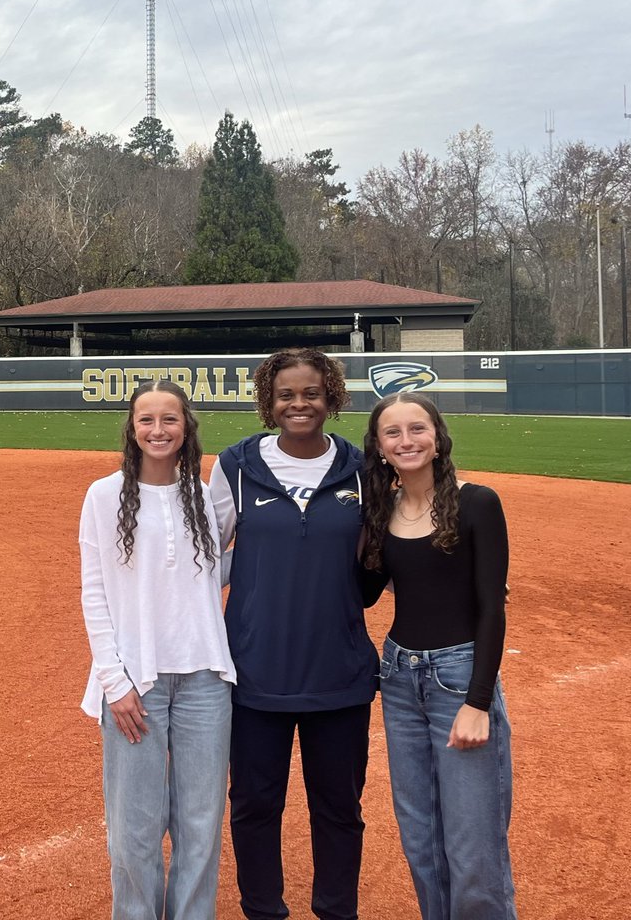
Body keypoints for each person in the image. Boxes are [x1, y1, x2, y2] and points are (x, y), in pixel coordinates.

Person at [209, 348, 378, 920]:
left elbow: (391, 550)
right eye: (286, 394)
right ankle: (263, 910)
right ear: (268, 401)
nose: (298, 404)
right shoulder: (234, 466)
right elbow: (208, 559)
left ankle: (337, 911)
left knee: (338, 809)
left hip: (339, 672)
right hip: (256, 671)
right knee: (254, 806)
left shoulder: (362, 468)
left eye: (310, 392)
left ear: (331, 396)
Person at [79, 379, 235, 920]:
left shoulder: (208, 494)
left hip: (206, 681)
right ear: (132, 428)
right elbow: (94, 591)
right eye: (146, 420)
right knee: (133, 833)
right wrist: (113, 682)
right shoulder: (102, 495)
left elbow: (223, 567)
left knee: (200, 828)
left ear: (187, 426)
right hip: (135, 683)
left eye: (170, 419)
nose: (158, 430)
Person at [361, 392, 517, 920]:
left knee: (473, 845)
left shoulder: (477, 502)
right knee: (422, 838)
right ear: (379, 447)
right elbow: (364, 591)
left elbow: (491, 609)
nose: (406, 441)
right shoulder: (383, 510)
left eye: (417, 429)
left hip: (458, 677)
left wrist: (478, 702)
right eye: (393, 433)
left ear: (436, 436)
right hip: (400, 679)